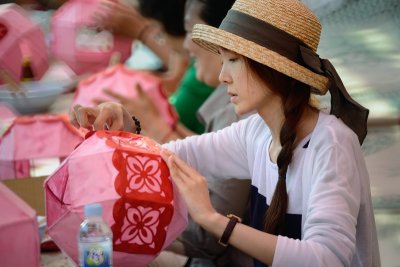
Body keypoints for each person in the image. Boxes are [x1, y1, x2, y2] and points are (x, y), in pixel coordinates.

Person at [70, 0, 381, 266]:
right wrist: (126, 129)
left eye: (233, 61)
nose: (223, 76)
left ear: (270, 67)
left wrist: (214, 220)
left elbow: (326, 258)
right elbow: (174, 155)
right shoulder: (255, 133)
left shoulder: (332, 144)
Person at [92, 0, 215, 135]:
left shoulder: (199, 78)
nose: (187, 44)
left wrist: (150, 119)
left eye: (159, 35)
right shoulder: (197, 71)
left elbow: (192, 146)